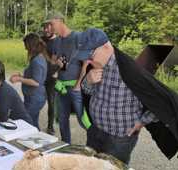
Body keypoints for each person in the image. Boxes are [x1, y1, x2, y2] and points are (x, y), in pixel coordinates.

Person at [80, 28, 178, 164]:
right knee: (91, 165)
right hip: (95, 130)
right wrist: (88, 81)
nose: (88, 60)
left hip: (119, 138)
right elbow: (86, 91)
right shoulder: (95, 65)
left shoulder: (129, 70)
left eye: (90, 55)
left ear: (106, 47)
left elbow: (160, 102)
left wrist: (142, 121)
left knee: (114, 168)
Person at [46, 13, 89, 143]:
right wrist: (56, 63)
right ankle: (66, 145)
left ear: (60, 21)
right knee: (62, 119)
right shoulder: (57, 41)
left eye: (52, 24)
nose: (50, 27)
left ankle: (95, 146)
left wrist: (78, 84)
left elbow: (87, 62)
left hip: (75, 86)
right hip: (61, 86)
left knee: (84, 120)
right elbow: (54, 61)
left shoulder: (78, 37)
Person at [10, 33, 48, 129]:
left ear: (31, 45)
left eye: (26, 46)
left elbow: (36, 82)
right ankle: (38, 140)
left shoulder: (37, 61)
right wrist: (22, 76)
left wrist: (19, 79)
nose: (25, 48)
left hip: (35, 98)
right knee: (32, 122)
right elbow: (34, 77)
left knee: (25, 121)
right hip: (33, 97)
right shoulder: (37, 58)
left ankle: (37, 140)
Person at [0, 60, 33, 125]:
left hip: (24, 124)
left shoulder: (4, 92)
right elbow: (0, 110)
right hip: (14, 121)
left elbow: (3, 118)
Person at [42, 22, 61, 135]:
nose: (46, 30)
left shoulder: (59, 41)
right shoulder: (41, 39)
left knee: (51, 101)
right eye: (44, 28)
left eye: (48, 29)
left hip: (52, 76)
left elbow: (64, 58)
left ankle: (50, 126)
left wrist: (57, 72)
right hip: (40, 74)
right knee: (36, 98)